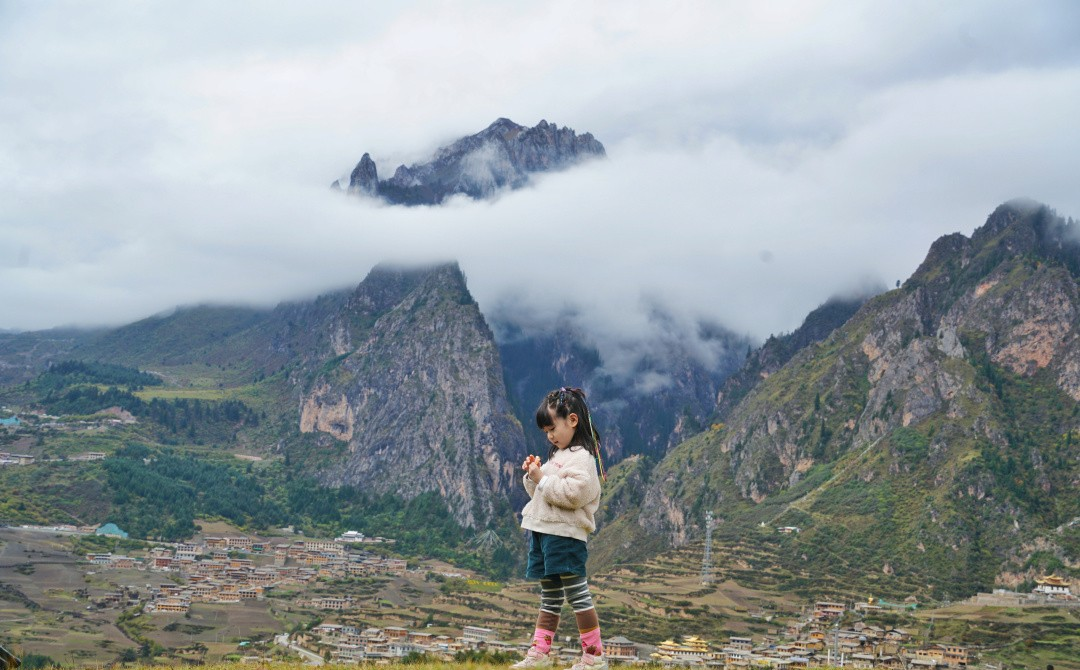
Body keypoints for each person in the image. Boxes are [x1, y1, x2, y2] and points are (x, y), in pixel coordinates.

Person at [513, 387, 606, 670]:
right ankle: (539, 655)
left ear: (573, 420)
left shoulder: (583, 459)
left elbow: (574, 494)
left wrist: (542, 479)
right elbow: (543, 495)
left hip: (565, 535)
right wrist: (533, 476)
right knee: (550, 595)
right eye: (546, 432)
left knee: (577, 593)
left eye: (552, 428)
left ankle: (594, 657)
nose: (550, 436)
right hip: (544, 532)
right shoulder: (559, 457)